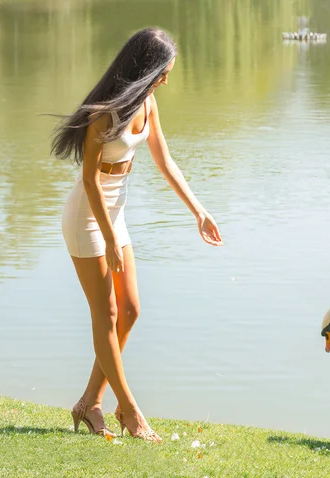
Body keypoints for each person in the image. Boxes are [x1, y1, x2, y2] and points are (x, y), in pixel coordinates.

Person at [51, 27, 223, 442]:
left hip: (116, 216)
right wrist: (108, 238)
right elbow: (90, 182)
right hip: (87, 218)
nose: (166, 78)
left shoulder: (148, 103)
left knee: (130, 310)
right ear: (146, 68)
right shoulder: (104, 113)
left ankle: (89, 402)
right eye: (164, 71)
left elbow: (166, 162)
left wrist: (198, 211)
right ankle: (129, 411)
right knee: (106, 313)